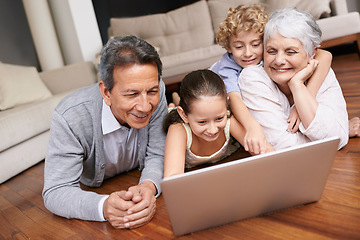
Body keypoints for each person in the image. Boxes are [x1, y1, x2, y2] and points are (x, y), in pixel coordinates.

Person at [42, 35, 168, 229]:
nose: (145, 106)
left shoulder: (156, 90)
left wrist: (149, 186)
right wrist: (103, 206)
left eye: (151, 91)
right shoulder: (69, 116)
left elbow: (159, 152)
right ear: (106, 92)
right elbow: (56, 190)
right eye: (132, 94)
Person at [210, 4, 333, 153]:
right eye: (238, 47)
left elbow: (326, 55)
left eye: (255, 44)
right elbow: (234, 98)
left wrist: (300, 106)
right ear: (228, 48)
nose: (248, 53)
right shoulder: (227, 68)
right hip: (217, 100)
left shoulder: (270, 53)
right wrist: (252, 127)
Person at [238, 8, 349, 150]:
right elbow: (283, 146)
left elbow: (337, 139)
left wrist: (297, 85)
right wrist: (334, 136)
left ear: (312, 53)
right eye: (271, 51)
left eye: (290, 52)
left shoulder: (321, 71)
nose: (278, 60)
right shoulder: (252, 78)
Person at [163, 69, 274, 178]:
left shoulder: (229, 119)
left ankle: (177, 101)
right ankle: (175, 101)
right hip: (180, 115)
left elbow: (267, 153)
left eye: (219, 118)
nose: (213, 130)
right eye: (202, 122)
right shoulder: (178, 128)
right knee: (175, 110)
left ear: (226, 106)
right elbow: (173, 176)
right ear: (184, 115)